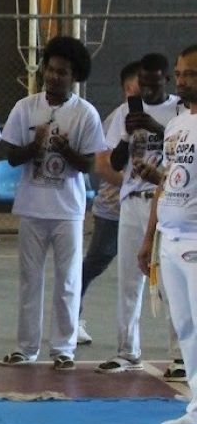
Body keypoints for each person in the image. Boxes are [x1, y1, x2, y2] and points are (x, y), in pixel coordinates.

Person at [0, 36, 105, 371]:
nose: (55, 76)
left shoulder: (85, 113)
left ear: (74, 76)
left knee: (68, 280)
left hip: (67, 210)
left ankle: (64, 349)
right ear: (44, 69)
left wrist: (61, 147)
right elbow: (11, 157)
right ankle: (26, 347)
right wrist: (36, 145)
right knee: (30, 279)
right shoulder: (25, 107)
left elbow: (88, 165)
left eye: (63, 72)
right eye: (51, 69)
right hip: (32, 206)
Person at [97, 53, 184, 376]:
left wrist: (154, 128)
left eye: (153, 84)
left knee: (171, 279)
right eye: (141, 84)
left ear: (166, 80)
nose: (146, 90)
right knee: (129, 278)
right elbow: (116, 163)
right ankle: (126, 350)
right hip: (133, 199)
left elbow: (180, 147)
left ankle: (179, 356)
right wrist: (127, 135)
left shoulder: (179, 110)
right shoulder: (125, 112)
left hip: (167, 197)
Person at [147, 44, 197, 424]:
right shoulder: (177, 125)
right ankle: (195, 403)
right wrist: (149, 238)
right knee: (184, 327)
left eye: (190, 74)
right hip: (170, 235)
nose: (182, 81)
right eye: (179, 73)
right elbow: (165, 183)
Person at [79, 61, 138, 347]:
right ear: (129, 88)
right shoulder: (119, 117)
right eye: (143, 83)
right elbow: (102, 166)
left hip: (148, 209)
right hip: (114, 208)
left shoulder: (166, 113)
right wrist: (135, 186)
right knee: (96, 262)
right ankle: (73, 317)